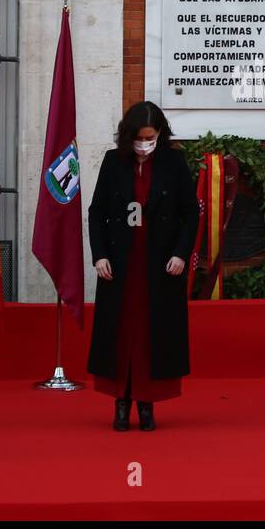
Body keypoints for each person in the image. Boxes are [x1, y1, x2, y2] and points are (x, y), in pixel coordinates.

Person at [87, 101, 199, 431]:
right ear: (128, 136)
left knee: (153, 332)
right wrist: (99, 254)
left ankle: (148, 404)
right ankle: (121, 402)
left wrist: (181, 252)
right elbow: (97, 211)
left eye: (151, 137)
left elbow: (190, 213)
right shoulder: (113, 161)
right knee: (121, 331)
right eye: (140, 137)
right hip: (120, 263)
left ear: (160, 135)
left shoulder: (174, 162)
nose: (145, 143)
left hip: (161, 263)